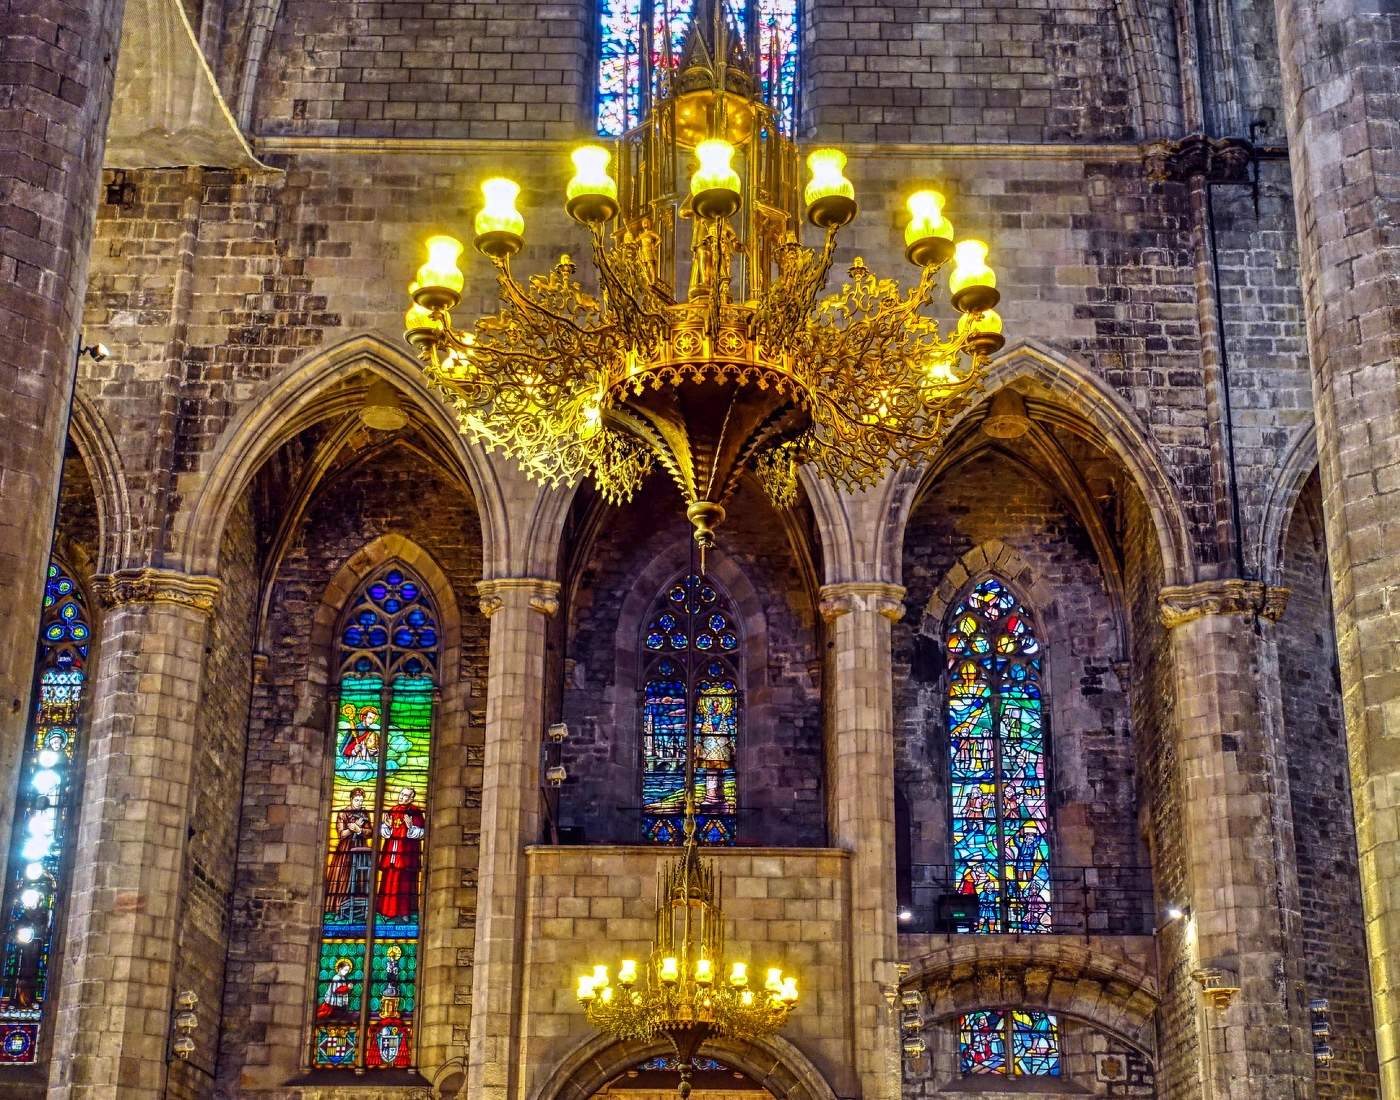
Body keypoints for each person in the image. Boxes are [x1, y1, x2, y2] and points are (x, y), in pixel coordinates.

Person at [376, 787, 425, 919]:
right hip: (392, 852)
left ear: (411, 798)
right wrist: (387, 826)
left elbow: (422, 833)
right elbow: (385, 833)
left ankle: (404, 913)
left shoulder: (415, 812)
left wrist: (411, 827)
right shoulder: (393, 810)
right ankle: (386, 912)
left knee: (404, 884)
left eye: (405, 796)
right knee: (388, 881)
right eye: (401, 794)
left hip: (406, 853)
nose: (402, 797)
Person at [324, 788, 372, 918]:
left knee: (360, 878)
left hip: (361, 850)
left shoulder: (365, 813)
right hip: (345, 851)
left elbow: (370, 832)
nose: (359, 803)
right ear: (351, 799)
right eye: (357, 800)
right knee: (343, 877)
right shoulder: (343, 813)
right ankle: (339, 906)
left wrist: (360, 830)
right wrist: (352, 829)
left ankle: (360, 909)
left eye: (361, 800)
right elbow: (341, 834)